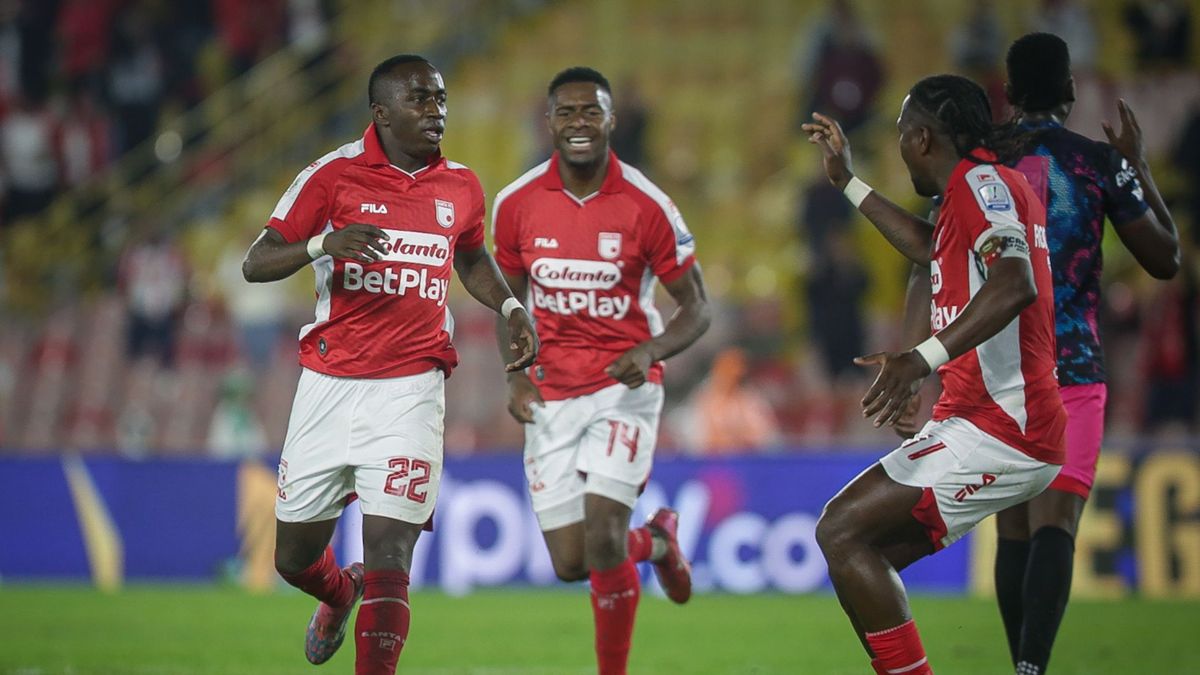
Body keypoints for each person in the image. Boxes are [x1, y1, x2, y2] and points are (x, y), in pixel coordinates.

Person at [241, 54, 538, 675]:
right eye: (421, 100)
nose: (437, 112)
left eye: (441, 99)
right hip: (329, 385)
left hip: (411, 388)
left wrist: (510, 305)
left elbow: (472, 257)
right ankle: (335, 593)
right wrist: (324, 242)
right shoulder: (332, 177)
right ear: (381, 112)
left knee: (391, 553)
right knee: (293, 557)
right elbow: (256, 261)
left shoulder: (460, 185)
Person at [802, 74, 1067, 675]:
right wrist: (848, 182)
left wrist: (917, 361)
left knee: (842, 530)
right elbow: (929, 248)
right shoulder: (968, 195)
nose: (898, 147)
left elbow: (1013, 283)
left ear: (922, 138)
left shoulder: (982, 184)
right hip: (980, 418)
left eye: (900, 135)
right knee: (859, 552)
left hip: (1005, 425)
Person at [491, 67, 711, 675]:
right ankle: (661, 541)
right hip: (550, 393)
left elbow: (698, 308)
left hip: (624, 389)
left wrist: (653, 350)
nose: (579, 123)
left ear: (613, 120)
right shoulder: (515, 205)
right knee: (571, 562)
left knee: (606, 535)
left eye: (592, 111)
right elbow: (508, 303)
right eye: (567, 112)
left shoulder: (648, 205)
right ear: (550, 122)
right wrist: (515, 375)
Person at [990, 33, 1179, 675]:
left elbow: (929, 256)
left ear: (1008, 94)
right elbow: (1165, 259)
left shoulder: (980, 162)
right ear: (1071, 91)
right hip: (1071, 367)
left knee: (1012, 529)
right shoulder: (1099, 163)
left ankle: (1019, 664)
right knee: (1056, 523)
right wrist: (1141, 168)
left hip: (999, 371)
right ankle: (1032, 669)